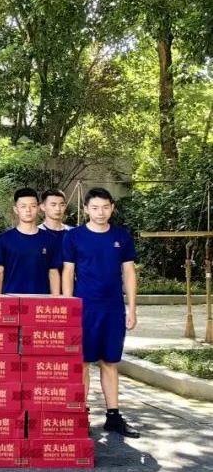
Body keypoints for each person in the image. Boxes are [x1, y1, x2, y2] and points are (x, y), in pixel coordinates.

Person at [62, 187, 139, 438]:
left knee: (110, 362)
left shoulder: (121, 236)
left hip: (113, 308)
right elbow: (67, 272)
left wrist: (132, 308)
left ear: (112, 208)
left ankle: (113, 416)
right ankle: (80, 415)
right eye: (95, 207)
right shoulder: (73, 237)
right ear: (86, 209)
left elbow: (129, 272)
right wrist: (68, 306)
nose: (100, 212)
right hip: (84, 308)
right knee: (82, 362)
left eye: (105, 207)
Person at [0, 188, 61, 295]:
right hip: (11, 298)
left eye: (32, 206)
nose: (28, 210)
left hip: (41, 299)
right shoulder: (3, 239)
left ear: (38, 208)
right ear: (16, 209)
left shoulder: (50, 239)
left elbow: (53, 272)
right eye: (23, 206)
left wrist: (55, 299)